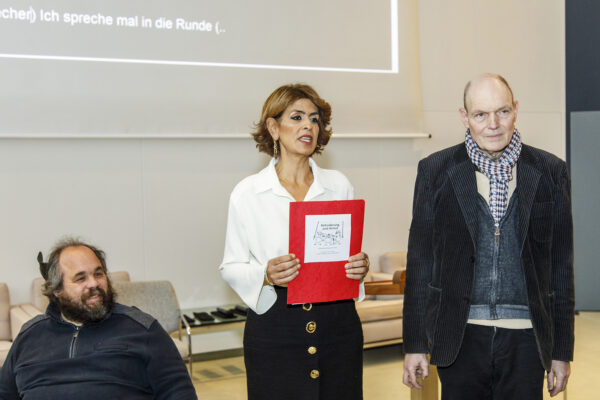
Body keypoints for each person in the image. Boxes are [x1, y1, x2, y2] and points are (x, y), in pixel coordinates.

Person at [402, 74, 574, 399]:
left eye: (503, 111)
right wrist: (414, 344)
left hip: (527, 338)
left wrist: (561, 351)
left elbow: (561, 269)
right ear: (464, 117)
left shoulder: (551, 172)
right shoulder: (435, 172)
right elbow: (421, 262)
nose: (493, 124)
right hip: (459, 335)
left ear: (516, 110)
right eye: (481, 114)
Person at [219, 83, 370, 400]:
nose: (308, 126)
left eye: (314, 119)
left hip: (338, 325)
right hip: (275, 325)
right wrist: (265, 273)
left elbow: (348, 255)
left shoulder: (339, 184)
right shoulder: (247, 193)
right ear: (273, 127)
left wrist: (360, 264)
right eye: (297, 117)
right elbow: (231, 265)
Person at [0, 238, 197, 400]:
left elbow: (179, 393)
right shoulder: (30, 336)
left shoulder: (142, 329)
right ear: (57, 290)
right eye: (80, 278)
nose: (94, 283)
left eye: (98, 274)